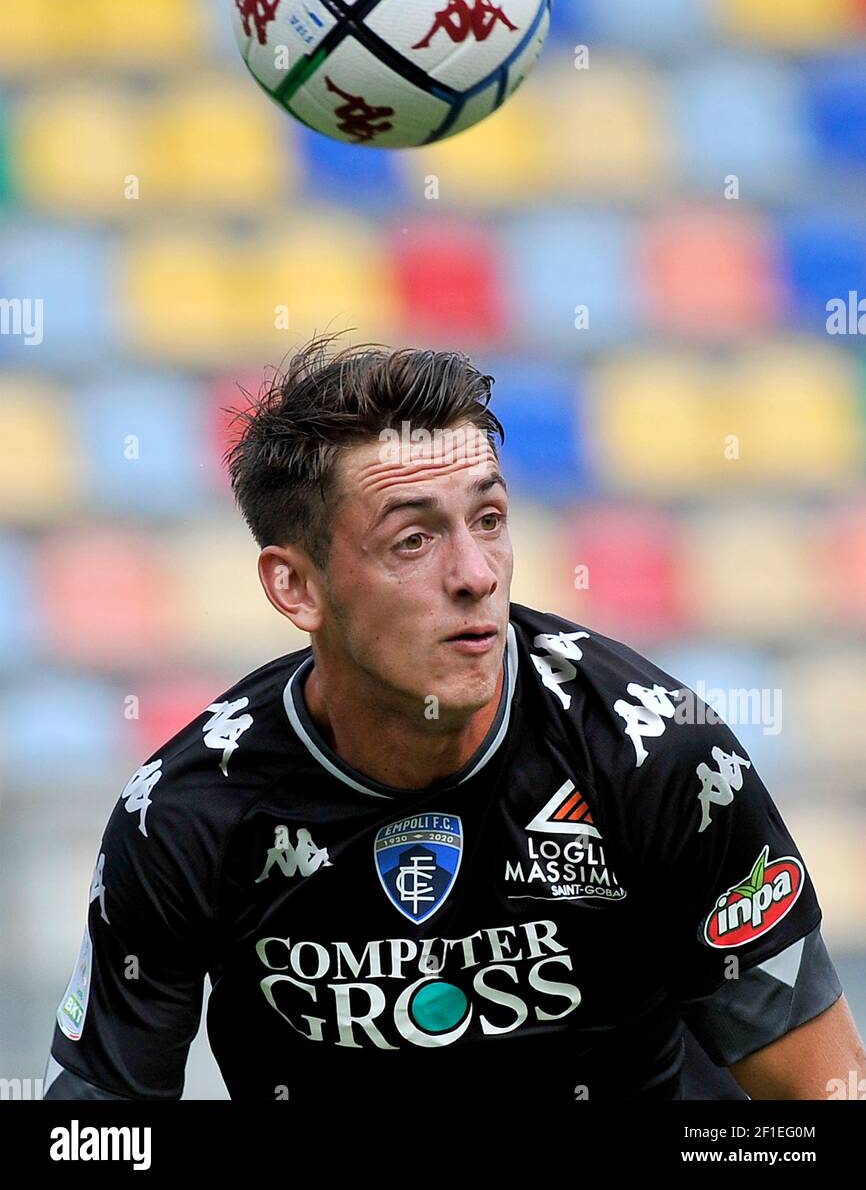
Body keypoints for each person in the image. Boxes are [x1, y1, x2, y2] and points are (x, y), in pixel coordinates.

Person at [43, 338, 865, 1102]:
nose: (475, 576)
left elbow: (825, 1093)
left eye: (490, 519)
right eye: (412, 541)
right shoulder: (187, 814)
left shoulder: (655, 754)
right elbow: (93, 1132)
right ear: (296, 587)